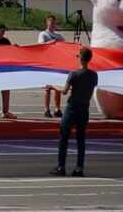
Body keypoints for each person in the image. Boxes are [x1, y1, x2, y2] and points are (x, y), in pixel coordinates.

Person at [48, 47, 98, 178]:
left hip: (72, 108)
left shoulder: (74, 74)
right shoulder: (94, 75)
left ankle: (61, 166)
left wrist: (53, 86)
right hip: (84, 108)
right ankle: (79, 168)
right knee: (81, 139)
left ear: (81, 58)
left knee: (64, 137)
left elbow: (64, 91)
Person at [38, 15, 66, 118]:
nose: (52, 24)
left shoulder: (59, 36)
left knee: (57, 87)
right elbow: (41, 46)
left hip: (57, 64)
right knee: (48, 88)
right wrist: (52, 43)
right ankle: (46, 109)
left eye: (54, 23)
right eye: (50, 22)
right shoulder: (43, 34)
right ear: (47, 23)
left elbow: (65, 47)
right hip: (47, 64)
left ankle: (57, 108)